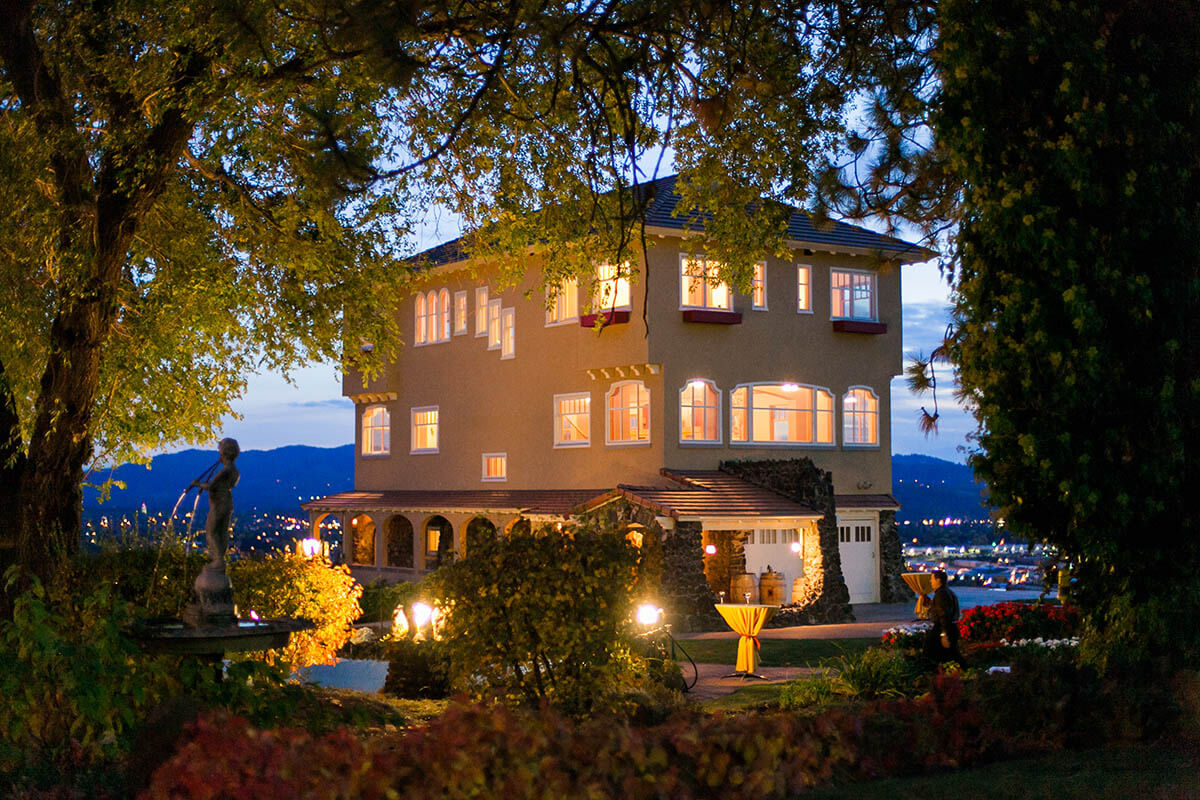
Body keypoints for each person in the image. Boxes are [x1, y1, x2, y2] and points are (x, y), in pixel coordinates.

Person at [192, 438, 240, 570]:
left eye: (220, 450)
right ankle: (220, 560)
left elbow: (211, 486)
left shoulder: (225, 470)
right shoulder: (234, 471)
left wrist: (196, 484)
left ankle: (218, 560)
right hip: (228, 503)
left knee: (211, 532)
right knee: (222, 532)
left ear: (224, 452)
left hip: (219, 503)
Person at [924, 569, 967, 669]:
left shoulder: (941, 594)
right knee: (950, 654)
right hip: (948, 627)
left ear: (938, 580)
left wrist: (944, 634)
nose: (930, 582)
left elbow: (943, 614)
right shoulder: (946, 592)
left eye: (932, 579)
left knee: (931, 653)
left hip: (943, 628)